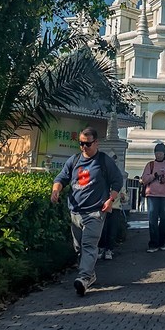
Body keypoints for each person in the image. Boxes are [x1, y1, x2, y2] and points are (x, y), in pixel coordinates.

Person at [50, 127, 123, 296]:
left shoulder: (104, 161)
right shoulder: (74, 160)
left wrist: (110, 199)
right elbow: (61, 178)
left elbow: (117, 181)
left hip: (95, 212)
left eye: (87, 144)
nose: (84, 147)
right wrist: (56, 190)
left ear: (96, 143)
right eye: (81, 143)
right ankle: (90, 274)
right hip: (75, 211)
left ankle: (83, 278)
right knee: (79, 247)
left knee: (89, 245)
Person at [141, 142, 165, 252]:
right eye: (157, 153)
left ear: (164, 153)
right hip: (152, 195)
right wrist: (153, 176)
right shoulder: (150, 165)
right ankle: (153, 243)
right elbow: (144, 179)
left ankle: (162, 241)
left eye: (161, 153)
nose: (159, 155)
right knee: (152, 219)